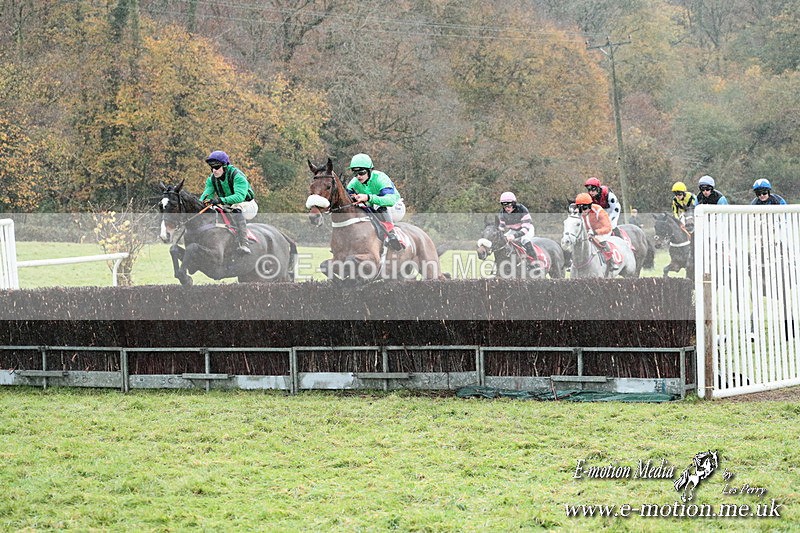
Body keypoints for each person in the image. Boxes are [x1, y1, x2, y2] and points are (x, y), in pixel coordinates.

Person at [199, 150, 258, 255]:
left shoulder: (237, 176)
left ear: (225, 166)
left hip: (247, 204)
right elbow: (206, 195)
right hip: (228, 204)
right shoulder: (211, 179)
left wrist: (220, 200)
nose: (214, 171)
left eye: (217, 167)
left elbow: (239, 197)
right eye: (212, 168)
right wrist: (199, 205)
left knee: (236, 209)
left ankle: (244, 243)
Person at [346, 153, 405, 251]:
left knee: (379, 207)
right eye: (355, 173)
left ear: (370, 170)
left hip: (394, 207)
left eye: (361, 173)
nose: (358, 176)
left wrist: (368, 198)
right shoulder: (354, 183)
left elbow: (390, 200)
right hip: (371, 207)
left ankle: (393, 236)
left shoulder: (381, 178)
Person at [497, 191, 536, 257]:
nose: (507, 208)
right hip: (513, 230)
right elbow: (501, 227)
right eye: (504, 206)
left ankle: (535, 262)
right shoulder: (502, 213)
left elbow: (526, 228)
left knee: (525, 240)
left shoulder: (522, 210)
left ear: (514, 203)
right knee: (502, 240)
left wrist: (514, 236)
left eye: (509, 206)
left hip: (527, 229)